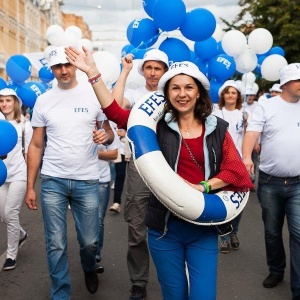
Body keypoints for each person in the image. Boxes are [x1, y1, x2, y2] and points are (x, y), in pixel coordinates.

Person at [65, 46, 253, 300]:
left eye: (189, 87)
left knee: (203, 296)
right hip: (164, 229)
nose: (182, 94)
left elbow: (237, 171)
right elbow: (115, 113)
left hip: (203, 229)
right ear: (167, 93)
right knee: (174, 295)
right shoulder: (156, 127)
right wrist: (94, 74)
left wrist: (205, 187)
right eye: (175, 88)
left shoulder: (217, 128)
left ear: (199, 92)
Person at [24, 46, 114, 299]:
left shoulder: (93, 95)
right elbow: (36, 144)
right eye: (57, 67)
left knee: (89, 241)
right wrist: (31, 186)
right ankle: (60, 293)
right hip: (53, 180)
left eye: (67, 65)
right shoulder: (43, 100)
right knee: (55, 243)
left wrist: (103, 136)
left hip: (87, 180)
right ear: (51, 69)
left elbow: (108, 134)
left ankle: (89, 266)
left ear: (75, 66)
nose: (63, 71)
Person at [110, 48, 169, 299]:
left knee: (174, 224)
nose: (153, 73)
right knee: (137, 227)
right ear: (142, 70)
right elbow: (114, 105)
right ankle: (139, 281)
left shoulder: (173, 93)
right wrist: (124, 72)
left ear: (165, 71)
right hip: (140, 165)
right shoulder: (135, 94)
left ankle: (175, 277)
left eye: (158, 68)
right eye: (149, 68)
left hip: (171, 165)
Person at [242, 63, 300, 300]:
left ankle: (298, 289)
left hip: (298, 184)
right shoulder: (266, 106)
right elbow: (252, 134)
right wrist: (246, 157)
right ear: (286, 83)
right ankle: (276, 270)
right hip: (270, 183)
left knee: (298, 234)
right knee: (273, 232)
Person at [0, 88, 33, 270]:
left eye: (8, 100)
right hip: (0, 175)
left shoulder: (24, 125)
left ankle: (11, 255)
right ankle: (21, 233)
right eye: (1, 101)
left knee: (10, 214)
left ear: (15, 103)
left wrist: (30, 182)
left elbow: (29, 153)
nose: (4, 104)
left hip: (19, 175)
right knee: (3, 215)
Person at [213, 80, 247, 254]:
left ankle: (234, 232)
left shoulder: (244, 114)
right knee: (223, 199)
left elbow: (247, 137)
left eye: (234, 93)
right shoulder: (216, 112)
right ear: (223, 95)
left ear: (238, 96)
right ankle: (224, 237)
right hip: (220, 162)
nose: (231, 95)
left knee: (238, 200)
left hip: (238, 161)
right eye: (228, 92)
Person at [96, 121, 120, 272]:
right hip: (81, 181)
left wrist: (95, 153)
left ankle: (95, 254)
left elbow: (115, 153)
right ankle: (87, 250)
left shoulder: (106, 126)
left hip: (101, 181)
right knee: (85, 222)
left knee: (98, 219)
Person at [109, 126, 130, 213]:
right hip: (120, 152)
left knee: (136, 179)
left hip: (134, 152)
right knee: (120, 176)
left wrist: (126, 135)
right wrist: (116, 134)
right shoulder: (114, 121)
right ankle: (116, 203)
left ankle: (134, 204)